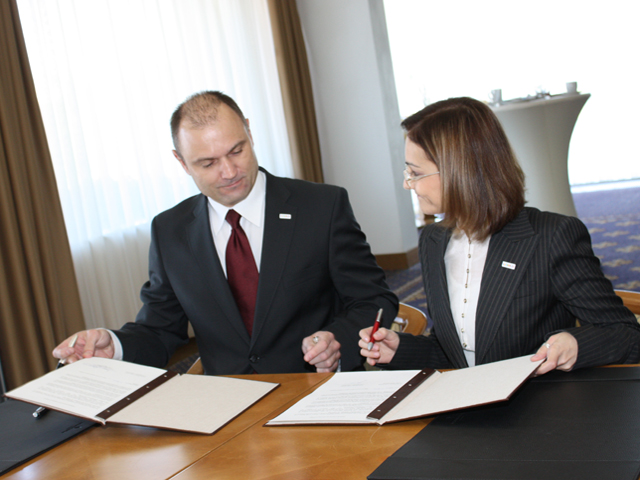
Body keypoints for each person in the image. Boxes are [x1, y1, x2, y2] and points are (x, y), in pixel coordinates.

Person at [54, 91, 398, 374]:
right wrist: (113, 346)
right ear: (181, 162)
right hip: (228, 410)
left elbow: (374, 299)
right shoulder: (170, 230)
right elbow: (160, 330)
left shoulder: (321, 206)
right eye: (208, 163)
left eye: (237, 150)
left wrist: (336, 340)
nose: (230, 171)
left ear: (249, 132)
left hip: (317, 392)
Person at [359, 96, 640, 375]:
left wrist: (575, 343)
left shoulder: (551, 237)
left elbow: (626, 335)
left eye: (415, 172)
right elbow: (456, 353)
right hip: (466, 406)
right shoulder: (434, 241)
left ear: (461, 171)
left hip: (537, 405)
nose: (407, 183)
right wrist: (401, 350)